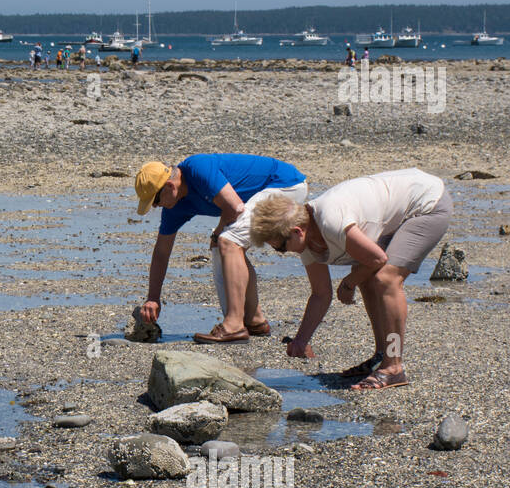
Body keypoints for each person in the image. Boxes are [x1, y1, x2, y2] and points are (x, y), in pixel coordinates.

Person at [249, 168, 452, 390]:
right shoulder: (307, 241)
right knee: (365, 276)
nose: (282, 252)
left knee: (386, 279)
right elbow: (320, 294)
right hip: (399, 206)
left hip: (427, 204)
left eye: (279, 247)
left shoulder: (331, 221)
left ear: (297, 231)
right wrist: (301, 340)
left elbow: (377, 259)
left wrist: (348, 283)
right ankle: (382, 355)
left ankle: (393, 367)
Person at [134, 155, 308, 343]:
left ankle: (234, 325)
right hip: (260, 196)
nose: (156, 206)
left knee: (227, 241)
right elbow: (162, 251)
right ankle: (254, 320)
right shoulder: (174, 207)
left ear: (170, 186)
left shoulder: (196, 168)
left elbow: (234, 207)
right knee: (221, 246)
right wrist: (153, 297)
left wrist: (217, 233)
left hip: (285, 186)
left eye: (156, 200)